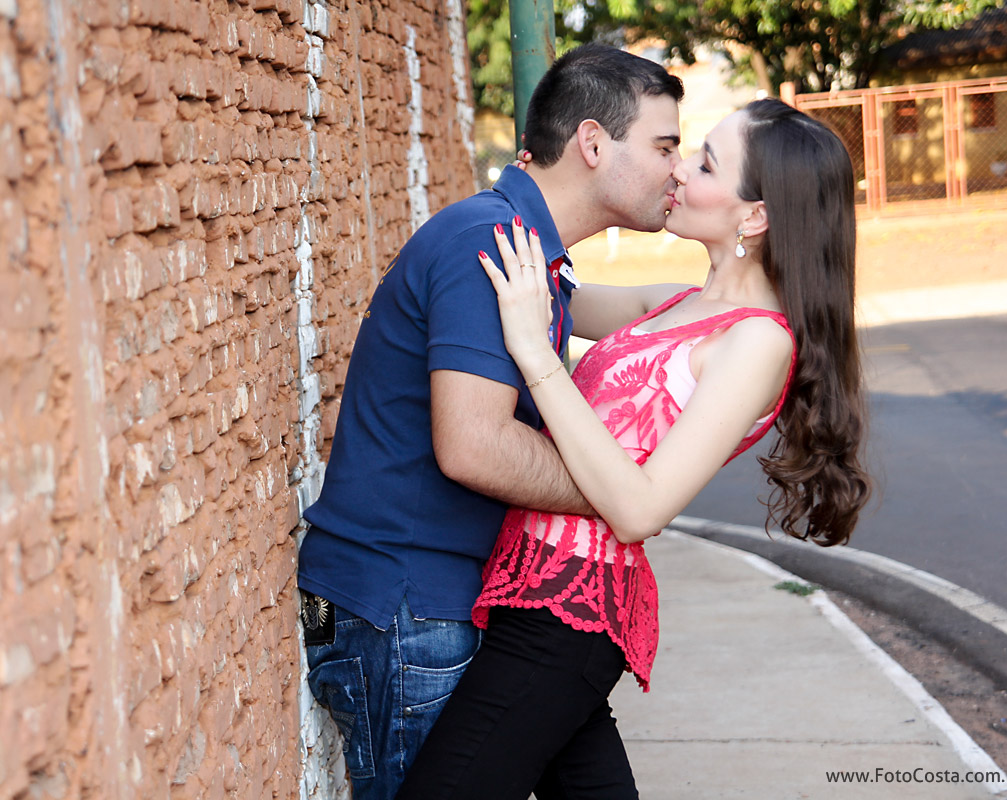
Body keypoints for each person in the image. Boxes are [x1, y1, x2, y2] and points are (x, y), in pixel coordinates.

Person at [395, 98, 872, 800]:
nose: (679, 170)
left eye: (705, 162)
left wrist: (537, 354)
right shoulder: (674, 303)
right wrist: (543, 181)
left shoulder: (758, 342)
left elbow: (642, 508)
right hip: (531, 594)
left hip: (569, 614)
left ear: (755, 216)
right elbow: (542, 281)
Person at [297, 44, 685, 799]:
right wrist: (620, 494)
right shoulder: (493, 243)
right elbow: (474, 446)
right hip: (406, 613)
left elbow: (650, 309)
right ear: (595, 144)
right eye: (665, 146)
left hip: (442, 606)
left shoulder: (534, 252)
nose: (677, 166)